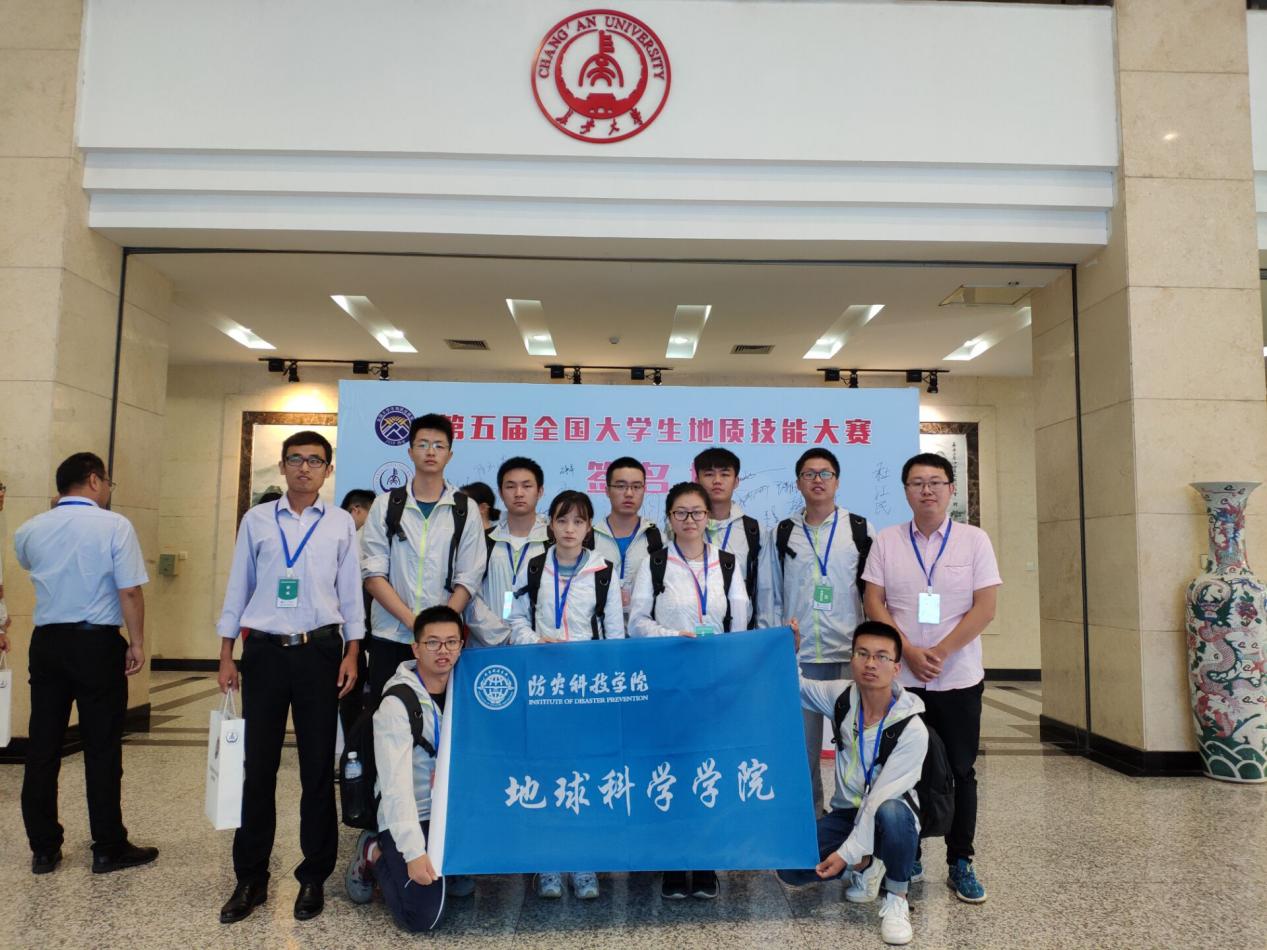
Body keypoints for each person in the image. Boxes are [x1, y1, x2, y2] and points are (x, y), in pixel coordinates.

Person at [216, 431, 364, 924]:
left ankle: (313, 875)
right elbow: (239, 586)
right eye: (296, 459)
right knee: (257, 768)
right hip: (263, 652)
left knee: (316, 768)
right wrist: (226, 653)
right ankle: (251, 877)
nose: (304, 468)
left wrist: (353, 652)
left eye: (315, 460)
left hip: (320, 651)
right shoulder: (257, 520)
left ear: (327, 470)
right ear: (282, 466)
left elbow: (350, 594)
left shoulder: (340, 523)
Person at [862, 453, 1000, 904]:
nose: (927, 490)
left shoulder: (974, 541)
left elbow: (985, 608)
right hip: (902, 680)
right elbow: (874, 602)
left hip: (957, 677)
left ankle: (961, 861)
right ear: (905, 490)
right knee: (903, 770)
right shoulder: (887, 541)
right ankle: (911, 853)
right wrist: (909, 651)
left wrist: (939, 652)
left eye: (936, 482)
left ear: (951, 490)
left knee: (960, 770)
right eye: (917, 482)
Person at [13, 452, 157, 875]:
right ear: (94, 480)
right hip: (96, 643)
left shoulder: (30, 529)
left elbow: (30, 564)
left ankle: (44, 848)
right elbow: (129, 591)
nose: (108, 489)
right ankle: (108, 846)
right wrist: (137, 642)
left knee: (43, 745)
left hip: (47, 643)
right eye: (107, 481)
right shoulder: (114, 525)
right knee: (101, 746)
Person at [628, 481, 750, 901]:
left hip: (714, 683)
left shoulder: (727, 563)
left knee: (709, 769)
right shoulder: (655, 562)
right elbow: (636, 622)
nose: (690, 520)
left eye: (697, 512)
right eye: (680, 512)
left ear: (708, 517)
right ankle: (673, 861)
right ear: (669, 518)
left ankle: (706, 860)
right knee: (670, 769)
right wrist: (673, 637)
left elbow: (739, 624)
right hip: (668, 680)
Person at [778, 621, 926, 947]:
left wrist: (844, 854)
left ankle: (897, 899)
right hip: (847, 814)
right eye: (862, 654)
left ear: (897, 667)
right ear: (852, 658)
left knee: (892, 813)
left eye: (882, 656)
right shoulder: (842, 697)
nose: (871, 663)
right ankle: (868, 864)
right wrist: (791, 651)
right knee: (789, 867)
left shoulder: (912, 729)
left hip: (889, 817)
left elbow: (878, 802)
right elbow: (796, 687)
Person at [508, 490, 624, 900]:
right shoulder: (532, 566)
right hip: (543, 686)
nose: (570, 529)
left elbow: (615, 635)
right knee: (546, 771)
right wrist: (534, 642)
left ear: (589, 526)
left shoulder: (604, 571)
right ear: (550, 524)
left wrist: (604, 682)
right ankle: (549, 862)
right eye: (562, 520)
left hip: (588, 689)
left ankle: (584, 862)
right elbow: (512, 618)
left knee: (586, 773)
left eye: (578, 521)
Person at [759, 447, 875, 817]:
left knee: (852, 744)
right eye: (809, 474)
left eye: (825, 473)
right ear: (798, 483)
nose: (817, 480)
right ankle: (811, 821)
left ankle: (850, 818)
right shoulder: (783, 532)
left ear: (837, 481)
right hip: (800, 656)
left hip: (848, 655)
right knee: (803, 748)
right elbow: (770, 593)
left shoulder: (859, 529)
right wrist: (775, 647)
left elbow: (872, 593)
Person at [344, 605, 467, 931]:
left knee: (464, 884)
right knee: (423, 916)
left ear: (461, 645)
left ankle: (448, 866)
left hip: (450, 811)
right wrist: (413, 853)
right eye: (432, 643)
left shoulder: (465, 690)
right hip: (412, 812)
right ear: (415, 648)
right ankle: (374, 852)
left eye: (451, 642)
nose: (443, 651)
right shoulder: (397, 703)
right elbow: (395, 789)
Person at [360, 413, 487, 704]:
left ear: (450, 455)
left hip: (443, 646)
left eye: (439, 446)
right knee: (388, 715)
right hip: (391, 635)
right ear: (410, 451)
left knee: (443, 717)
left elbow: (469, 577)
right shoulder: (386, 505)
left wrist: (438, 630)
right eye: (423, 444)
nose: (431, 452)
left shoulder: (464, 509)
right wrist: (414, 623)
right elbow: (373, 575)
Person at [465, 457, 548, 648]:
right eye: (510, 486)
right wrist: (504, 636)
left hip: (539, 646)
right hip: (487, 648)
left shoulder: (553, 543)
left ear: (540, 491)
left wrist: (530, 639)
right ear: (501, 493)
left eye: (527, 486)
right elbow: (468, 595)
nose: (519, 493)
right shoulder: (482, 541)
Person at [693, 447, 763, 626]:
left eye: (725, 474)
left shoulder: (754, 531)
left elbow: (765, 590)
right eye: (709, 474)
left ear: (736, 481)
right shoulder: (684, 528)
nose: (717, 481)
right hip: (692, 628)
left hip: (740, 629)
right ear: (697, 480)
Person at [590, 457, 664, 616]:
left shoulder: (659, 540)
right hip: (600, 627)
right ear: (607, 490)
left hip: (646, 626)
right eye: (620, 486)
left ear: (644, 490)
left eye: (636, 486)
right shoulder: (588, 539)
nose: (629, 493)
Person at [338, 487, 377, 734]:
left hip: (356, 628)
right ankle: (352, 745)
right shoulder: (354, 538)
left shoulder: (359, 537)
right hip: (347, 628)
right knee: (349, 690)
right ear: (357, 510)